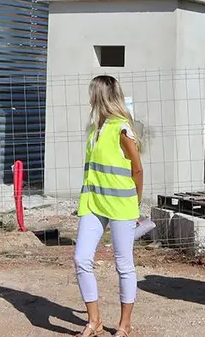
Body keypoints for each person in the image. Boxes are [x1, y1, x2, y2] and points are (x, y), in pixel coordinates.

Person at [73, 75, 143, 337]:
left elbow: (137, 169)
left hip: (121, 206)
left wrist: (135, 205)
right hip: (93, 203)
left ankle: (124, 326)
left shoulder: (121, 129)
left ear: (100, 96)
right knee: (81, 258)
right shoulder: (94, 130)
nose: (89, 97)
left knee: (124, 264)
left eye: (92, 93)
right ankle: (95, 321)